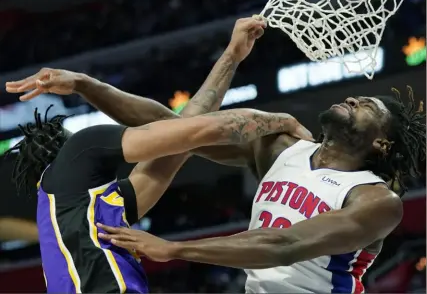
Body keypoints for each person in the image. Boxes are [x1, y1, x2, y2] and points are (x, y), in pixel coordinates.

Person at [8, 61, 425, 293]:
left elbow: (285, 245)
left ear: (381, 145)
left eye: (368, 105)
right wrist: (87, 85)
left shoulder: (375, 200)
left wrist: (175, 250)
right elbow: (171, 128)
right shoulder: (283, 150)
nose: (353, 98)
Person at [4, 17, 313, 294]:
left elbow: (184, 130)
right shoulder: (81, 148)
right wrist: (280, 121)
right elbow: (199, 131)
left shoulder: (86, 210)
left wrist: (232, 54)